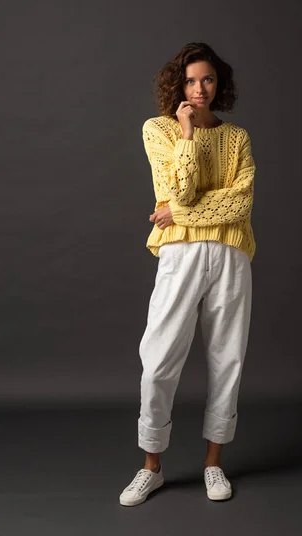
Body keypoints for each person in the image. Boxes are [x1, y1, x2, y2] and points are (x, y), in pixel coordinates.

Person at [119, 42, 257, 506]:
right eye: (192, 80)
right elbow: (178, 187)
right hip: (180, 256)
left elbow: (240, 204)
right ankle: (151, 467)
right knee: (158, 361)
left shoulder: (237, 137)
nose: (200, 89)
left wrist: (176, 212)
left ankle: (214, 464)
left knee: (228, 360)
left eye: (209, 79)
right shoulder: (159, 129)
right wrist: (187, 133)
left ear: (220, 84)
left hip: (231, 256)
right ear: (179, 84)